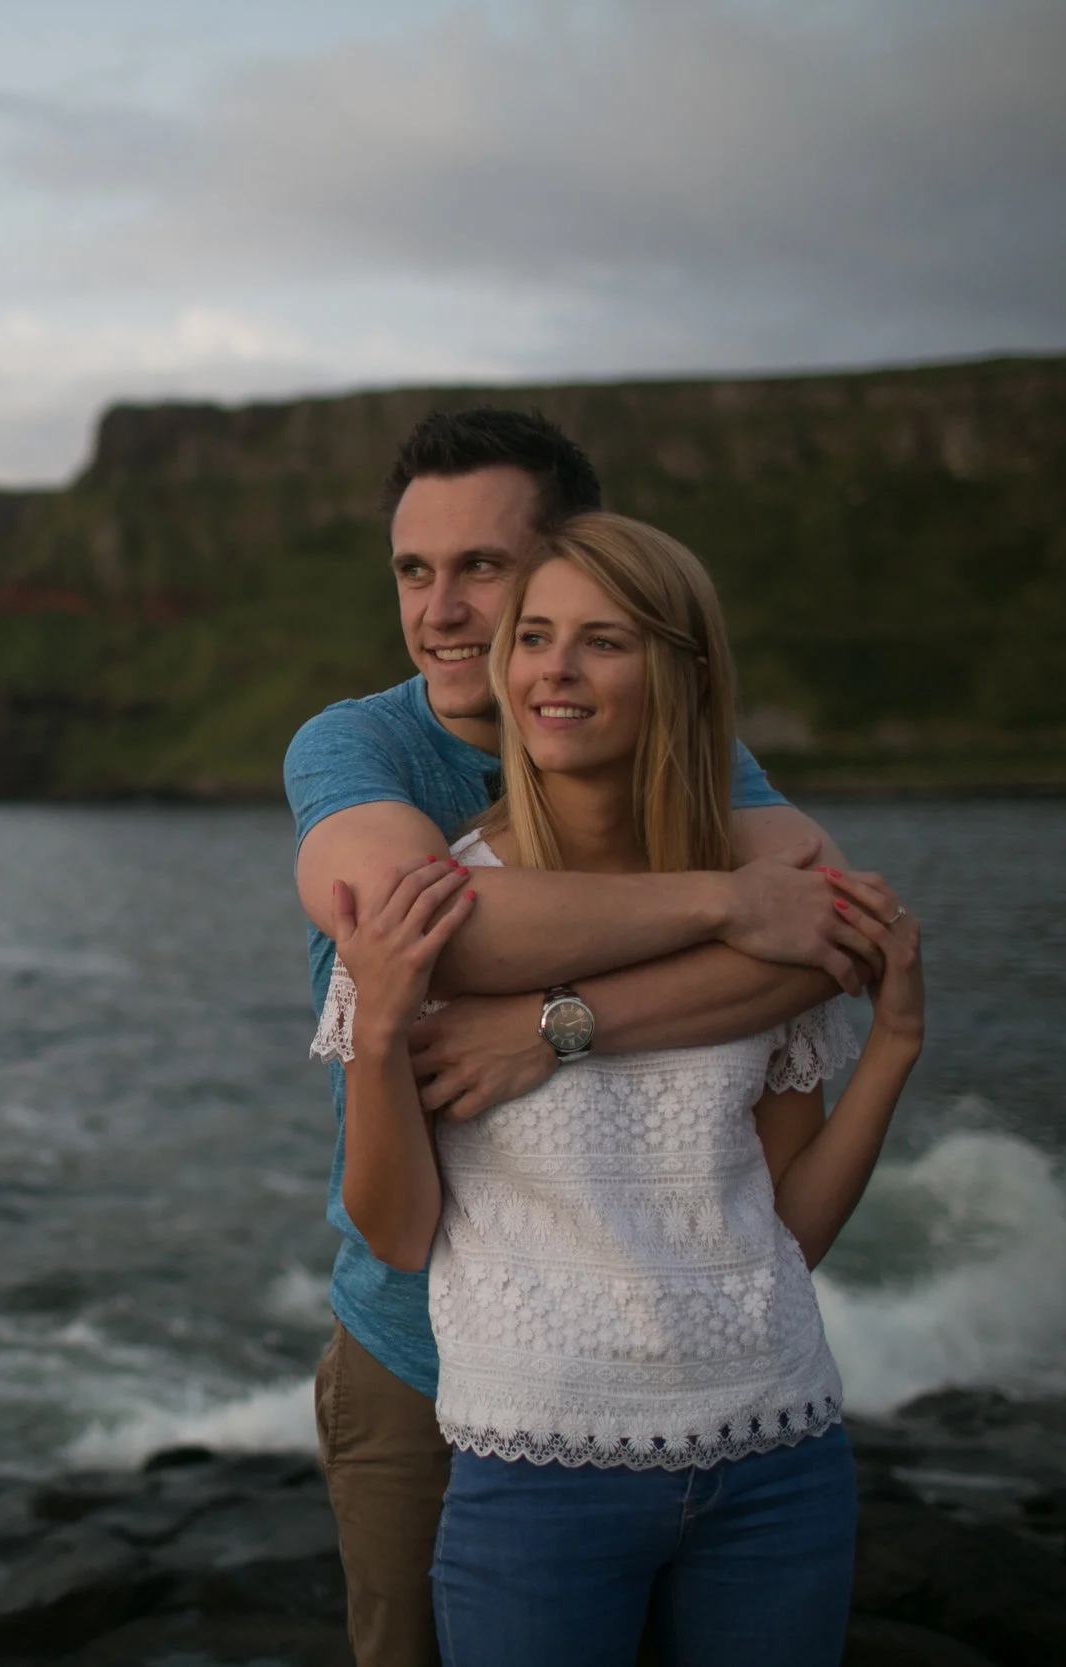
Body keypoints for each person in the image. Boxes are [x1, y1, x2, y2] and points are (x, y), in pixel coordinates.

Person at [284, 410, 883, 1667]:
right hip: (416, 1340)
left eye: (483, 569)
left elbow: (823, 934)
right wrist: (720, 903)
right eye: (412, 570)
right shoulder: (361, 744)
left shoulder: (687, 756)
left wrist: (553, 1028)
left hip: (684, 1380)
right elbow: (426, 935)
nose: (441, 610)